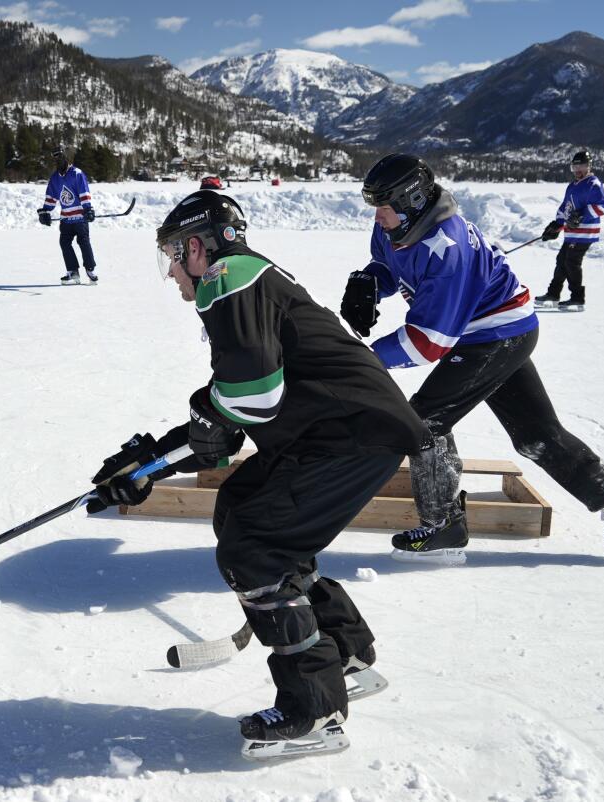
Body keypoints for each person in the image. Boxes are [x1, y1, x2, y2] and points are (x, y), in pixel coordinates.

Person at [88, 190, 432, 753]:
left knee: (256, 549)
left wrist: (183, 437)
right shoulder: (250, 279)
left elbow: (249, 399)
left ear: (195, 247)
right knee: (243, 505)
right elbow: (231, 418)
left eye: (172, 258)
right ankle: (344, 655)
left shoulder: (227, 277)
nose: (172, 274)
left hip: (349, 436)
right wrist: (149, 463)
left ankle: (314, 712)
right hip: (341, 432)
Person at [340, 153, 604, 564]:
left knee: (424, 422)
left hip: (497, 335)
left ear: (411, 202)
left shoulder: (447, 249)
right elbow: (389, 265)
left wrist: (365, 360)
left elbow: (428, 343)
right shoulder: (396, 227)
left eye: (383, 206)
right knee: (535, 436)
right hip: (489, 332)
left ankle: (444, 524)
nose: (376, 216)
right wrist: (369, 281)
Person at [535, 150, 604, 311]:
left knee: (571, 263)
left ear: (589, 166)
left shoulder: (593, 184)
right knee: (561, 261)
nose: (577, 170)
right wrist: (556, 225)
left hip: (586, 232)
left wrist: (582, 214)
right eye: (574, 167)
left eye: (581, 166)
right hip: (572, 233)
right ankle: (553, 294)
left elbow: (601, 207)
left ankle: (577, 298)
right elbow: (566, 208)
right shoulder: (572, 186)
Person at [37, 144, 97, 285]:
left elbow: (84, 193)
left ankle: (90, 270)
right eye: (55, 158)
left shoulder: (77, 173)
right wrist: (45, 211)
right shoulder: (55, 178)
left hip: (80, 218)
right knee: (64, 243)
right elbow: (51, 197)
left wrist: (88, 209)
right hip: (66, 219)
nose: (58, 161)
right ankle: (73, 272)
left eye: (60, 157)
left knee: (83, 241)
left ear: (66, 157)